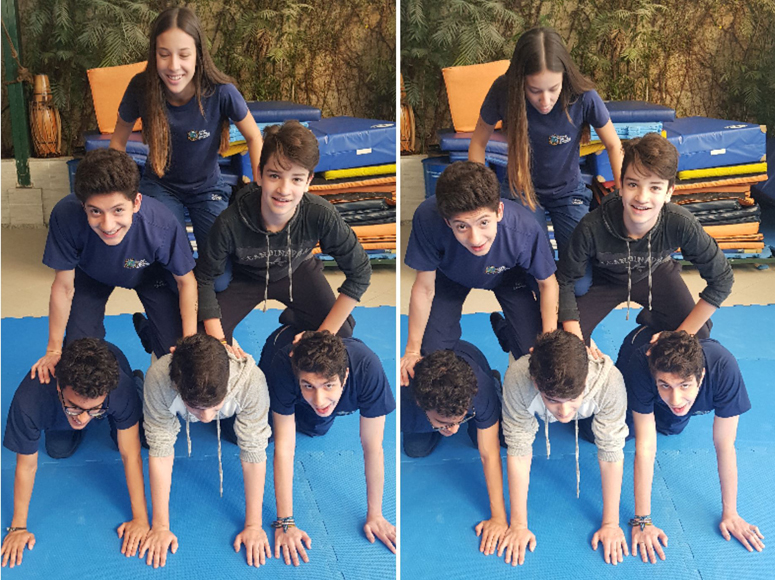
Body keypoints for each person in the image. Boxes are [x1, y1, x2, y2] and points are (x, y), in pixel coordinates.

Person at [195, 121, 371, 348]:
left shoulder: (320, 214)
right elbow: (205, 278)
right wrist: (219, 340)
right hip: (246, 276)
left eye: (296, 179)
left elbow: (360, 271)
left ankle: (296, 319)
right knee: (204, 343)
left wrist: (322, 335)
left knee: (341, 332)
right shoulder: (230, 221)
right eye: (275, 176)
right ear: (259, 174)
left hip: (296, 270)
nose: (284, 190)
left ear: (308, 181)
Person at [31, 148, 197, 383]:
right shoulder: (65, 216)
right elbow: (63, 286)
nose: (108, 225)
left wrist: (189, 343)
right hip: (92, 275)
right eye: (95, 211)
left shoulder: (161, 224)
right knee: (79, 357)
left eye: (118, 210)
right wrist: (53, 349)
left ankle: (150, 332)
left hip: (150, 275)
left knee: (173, 354)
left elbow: (186, 282)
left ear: (136, 202)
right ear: (82, 206)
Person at [110, 6, 263, 254]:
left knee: (219, 269)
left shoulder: (221, 92)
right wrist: (119, 194)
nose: (174, 66)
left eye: (184, 55)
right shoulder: (141, 87)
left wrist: (259, 192)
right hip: (160, 186)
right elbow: (117, 143)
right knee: (172, 260)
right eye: (164, 54)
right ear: (154, 54)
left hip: (208, 188)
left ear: (198, 55)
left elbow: (254, 136)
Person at [557, 133, 734, 344]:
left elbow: (722, 279)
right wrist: (576, 342)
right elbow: (565, 280)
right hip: (606, 278)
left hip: (654, 272)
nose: (642, 198)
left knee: (699, 334)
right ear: (621, 185)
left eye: (655, 187)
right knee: (562, 341)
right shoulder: (592, 226)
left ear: (669, 192)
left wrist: (680, 335)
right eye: (633, 185)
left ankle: (654, 320)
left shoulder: (680, 223)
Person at [469, 26, 623, 262]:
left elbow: (614, 145)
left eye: (553, 89)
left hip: (568, 192)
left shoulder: (583, 96)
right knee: (537, 265)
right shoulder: (504, 90)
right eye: (534, 90)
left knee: (579, 274)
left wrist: (623, 197)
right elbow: (478, 144)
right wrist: (482, 198)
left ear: (564, 78)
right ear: (520, 82)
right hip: (521, 190)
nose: (545, 101)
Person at [401, 161, 558, 386]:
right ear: (447, 222)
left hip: (509, 276)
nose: (475, 239)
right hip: (451, 276)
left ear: (499, 211)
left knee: (532, 355)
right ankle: (485, 374)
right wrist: (412, 350)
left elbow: (547, 284)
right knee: (431, 358)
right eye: (462, 227)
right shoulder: (427, 218)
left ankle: (507, 333)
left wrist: (549, 344)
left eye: (484, 222)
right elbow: (424, 287)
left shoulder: (523, 228)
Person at [617, 328, 764, 563]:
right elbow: (645, 446)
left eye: (684, 385)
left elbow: (725, 444)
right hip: (635, 369)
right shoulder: (642, 366)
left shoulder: (724, 368)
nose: (675, 398)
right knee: (608, 433)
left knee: (672, 426)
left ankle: (670, 395)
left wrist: (731, 513)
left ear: (701, 376)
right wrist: (642, 520)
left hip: (674, 394)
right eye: (665, 385)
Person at [2, 338, 147, 568]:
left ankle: (138, 382)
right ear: (59, 387)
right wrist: (18, 527)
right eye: (74, 406)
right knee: (58, 450)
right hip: (62, 406)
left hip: (120, 392)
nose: (82, 417)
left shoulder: (119, 388)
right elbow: (26, 466)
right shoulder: (29, 399)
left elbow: (130, 454)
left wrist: (140, 519)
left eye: (93, 410)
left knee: (125, 439)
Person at [260, 326, 396, 565]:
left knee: (317, 426)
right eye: (309, 386)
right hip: (278, 366)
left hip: (314, 395)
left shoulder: (368, 368)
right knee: (256, 435)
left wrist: (375, 514)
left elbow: (373, 447)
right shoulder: (284, 367)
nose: (320, 399)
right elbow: (284, 446)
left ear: (345, 375)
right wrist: (286, 522)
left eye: (329, 385)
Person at [139, 333, 271, 568]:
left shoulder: (251, 381)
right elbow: (161, 450)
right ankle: (149, 341)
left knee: (243, 438)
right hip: (167, 386)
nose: (207, 418)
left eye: (214, 408)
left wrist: (254, 525)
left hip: (232, 396)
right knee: (144, 439)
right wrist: (160, 526)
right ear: (177, 386)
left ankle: (207, 405)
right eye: (196, 408)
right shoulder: (159, 379)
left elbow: (254, 453)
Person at [500, 330, 629, 566]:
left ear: (585, 382)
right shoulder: (518, 379)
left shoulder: (609, 381)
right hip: (528, 382)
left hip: (590, 398)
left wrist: (611, 523)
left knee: (599, 436)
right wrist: (518, 525)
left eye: (572, 399)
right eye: (553, 400)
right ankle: (506, 334)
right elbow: (518, 449)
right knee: (502, 437)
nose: (564, 412)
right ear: (536, 383)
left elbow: (611, 452)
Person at [402, 342, 508, 556]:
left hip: (472, 368)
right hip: (426, 399)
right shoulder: (403, 399)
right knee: (415, 450)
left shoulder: (479, 390)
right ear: (421, 404)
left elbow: (489, 453)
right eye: (445, 423)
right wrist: (440, 424)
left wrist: (498, 518)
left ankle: (494, 383)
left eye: (460, 420)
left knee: (497, 438)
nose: (455, 429)